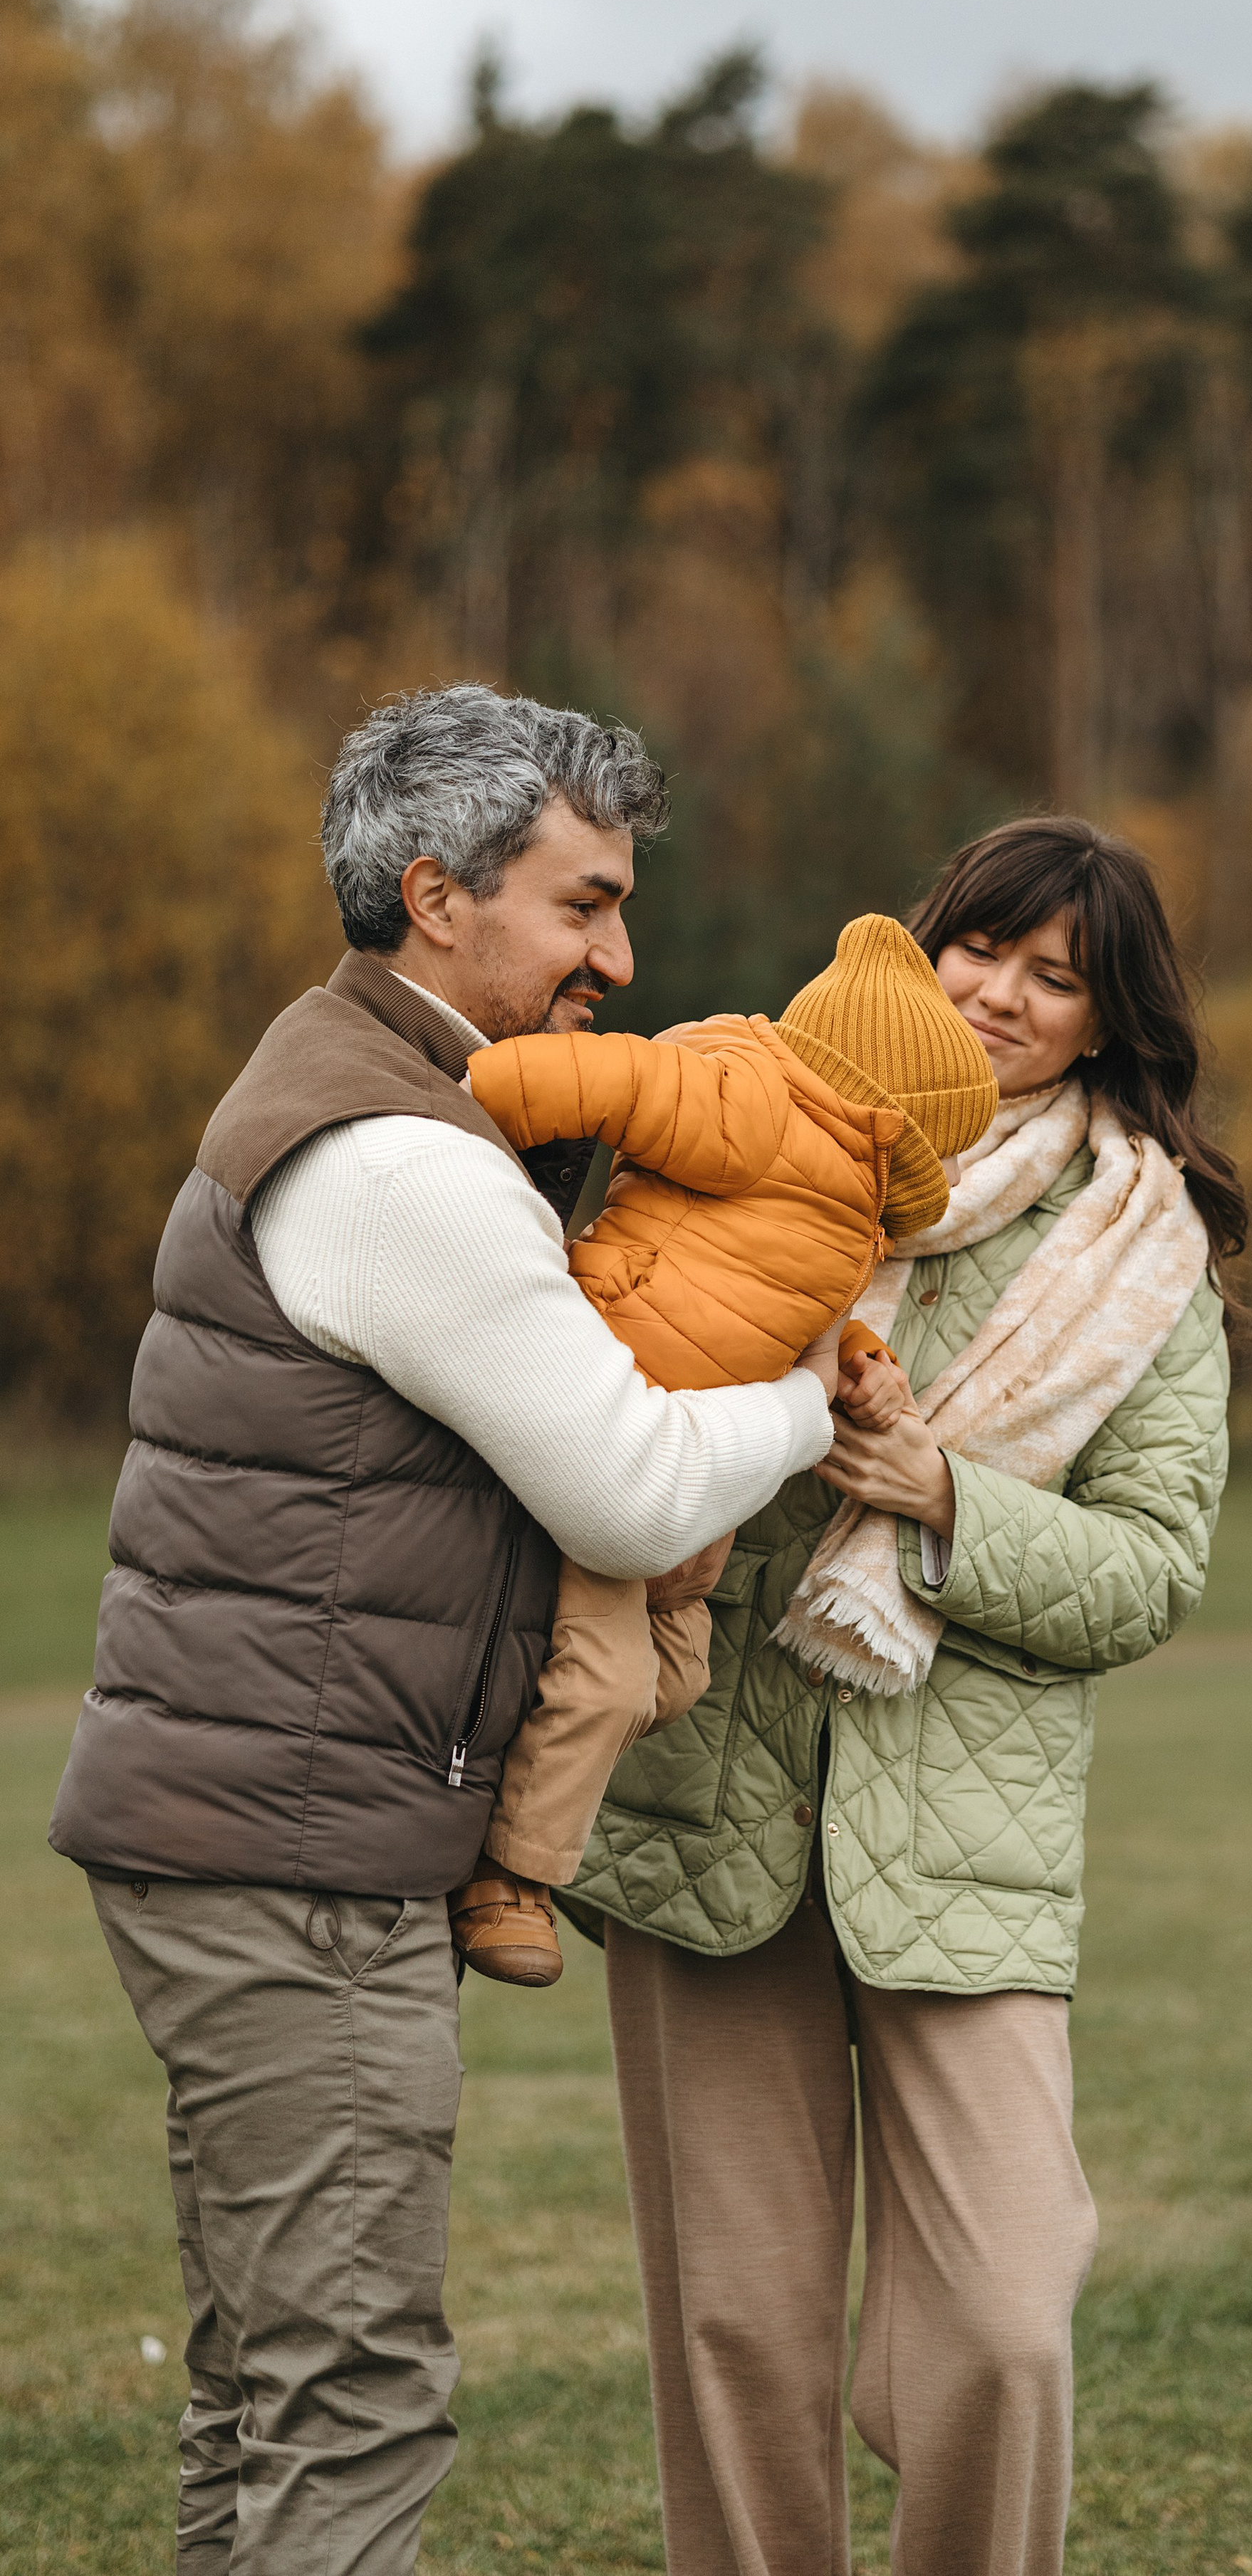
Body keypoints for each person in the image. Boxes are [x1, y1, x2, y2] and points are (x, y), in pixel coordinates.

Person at [47, 685, 843, 2576]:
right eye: (582, 908)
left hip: (253, 1839)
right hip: (293, 1863)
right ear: (436, 896)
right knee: (351, 2396)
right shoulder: (400, 1165)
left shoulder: (361, 1090)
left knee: (264, 2381)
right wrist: (816, 1393)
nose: (621, 959)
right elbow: (633, 1489)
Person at [560, 815, 1246, 2576]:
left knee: (1007, 2321)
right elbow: (606, 1363)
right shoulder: (763, 1106)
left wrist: (941, 1499)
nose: (1003, 995)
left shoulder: (1139, 1249)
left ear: (1106, 1021)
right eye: (981, 949)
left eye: (1055, 977)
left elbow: (1148, 1573)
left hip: (965, 1846)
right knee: (736, 2330)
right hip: (717, 1806)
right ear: (918, 946)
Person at [447, 911, 997, 1983]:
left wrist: (863, 1361)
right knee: (606, 1680)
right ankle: (510, 1880)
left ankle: (515, 1719)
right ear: (896, 1115)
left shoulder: (846, 1204)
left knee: (675, 1678)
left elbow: (804, 1312)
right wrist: (480, 1112)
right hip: (618, 1418)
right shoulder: (750, 1108)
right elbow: (610, 1082)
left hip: (704, 1477)